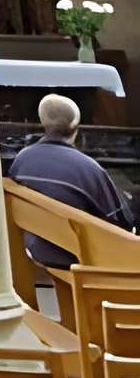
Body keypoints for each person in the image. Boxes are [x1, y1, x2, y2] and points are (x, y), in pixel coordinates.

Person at [8, 93, 136, 270]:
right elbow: (122, 221)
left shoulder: (23, 159)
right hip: (78, 256)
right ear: (76, 126)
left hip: (37, 248)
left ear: (44, 123)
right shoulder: (88, 168)